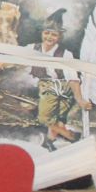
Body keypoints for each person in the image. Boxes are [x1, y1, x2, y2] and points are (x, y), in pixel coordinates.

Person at [28, 10, 84, 149]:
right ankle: (72, 137)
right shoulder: (31, 48)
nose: (49, 37)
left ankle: (49, 142)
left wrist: (79, 98)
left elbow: (73, 79)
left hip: (66, 88)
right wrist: (3, 62)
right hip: (48, 86)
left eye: (54, 34)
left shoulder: (66, 54)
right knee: (45, 118)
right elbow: (16, 56)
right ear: (42, 33)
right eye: (46, 33)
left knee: (60, 119)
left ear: (59, 37)